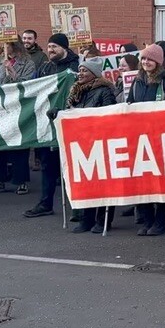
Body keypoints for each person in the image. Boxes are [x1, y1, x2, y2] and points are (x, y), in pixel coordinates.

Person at [24, 33, 80, 219]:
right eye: (49, 47)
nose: (50, 50)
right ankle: (45, 202)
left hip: (69, 122)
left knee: (70, 167)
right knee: (48, 165)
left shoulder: (76, 65)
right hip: (48, 123)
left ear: (64, 47)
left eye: (54, 47)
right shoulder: (46, 67)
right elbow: (32, 86)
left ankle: (78, 208)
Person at [127, 44, 165, 235]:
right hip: (140, 138)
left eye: (149, 59)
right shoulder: (137, 81)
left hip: (159, 139)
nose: (145, 62)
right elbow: (130, 105)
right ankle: (147, 220)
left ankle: (160, 221)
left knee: (158, 182)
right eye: (143, 59)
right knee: (142, 182)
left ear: (157, 62)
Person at [66, 57, 120, 232]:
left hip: (100, 142)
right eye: (80, 70)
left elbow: (109, 115)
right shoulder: (76, 91)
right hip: (82, 143)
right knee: (86, 182)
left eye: (85, 71)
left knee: (103, 183)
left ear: (94, 74)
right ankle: (86, 219)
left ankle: (103, 220)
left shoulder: (104, 91)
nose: (80, 73)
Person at [0, 41, 36, 195]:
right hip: (1, 107)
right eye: (3, 47)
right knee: (0, 144)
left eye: (8, 46)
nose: (5, 50)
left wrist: (13, 74)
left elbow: (28, 85)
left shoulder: (28, 63)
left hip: (19, 107)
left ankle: (21, 181)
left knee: (19, 144)